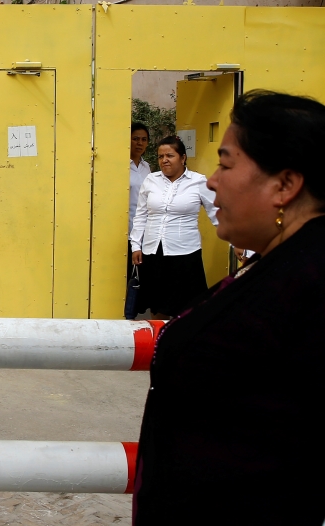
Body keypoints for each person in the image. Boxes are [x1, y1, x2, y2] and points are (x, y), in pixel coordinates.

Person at [133, 90, 325, 524]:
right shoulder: (275, 266)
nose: (213, 180)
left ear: (284, 186)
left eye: (225, 163)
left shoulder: (308, 282)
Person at [130, 135, 218, 319]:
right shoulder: (151, 180)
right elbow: (141, 215)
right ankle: (160, 343)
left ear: (183, 158)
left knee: (188, 308)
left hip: (186, 253)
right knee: (157, 307)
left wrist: (237, 241)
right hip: (154, 252)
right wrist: (136, 245)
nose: (164, 161)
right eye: (161, 157)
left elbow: (216, 213)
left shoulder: (198, 182)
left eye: (170, 156)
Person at [125, 122, 152, 319]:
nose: (139, 143)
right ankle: (126, 311)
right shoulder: (121, 166)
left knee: (141, 272)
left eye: (143, 139)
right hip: (126, 227)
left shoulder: (146, 167)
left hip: (145, 229)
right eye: (135, 138)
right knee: (127, 272)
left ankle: (136, 310)